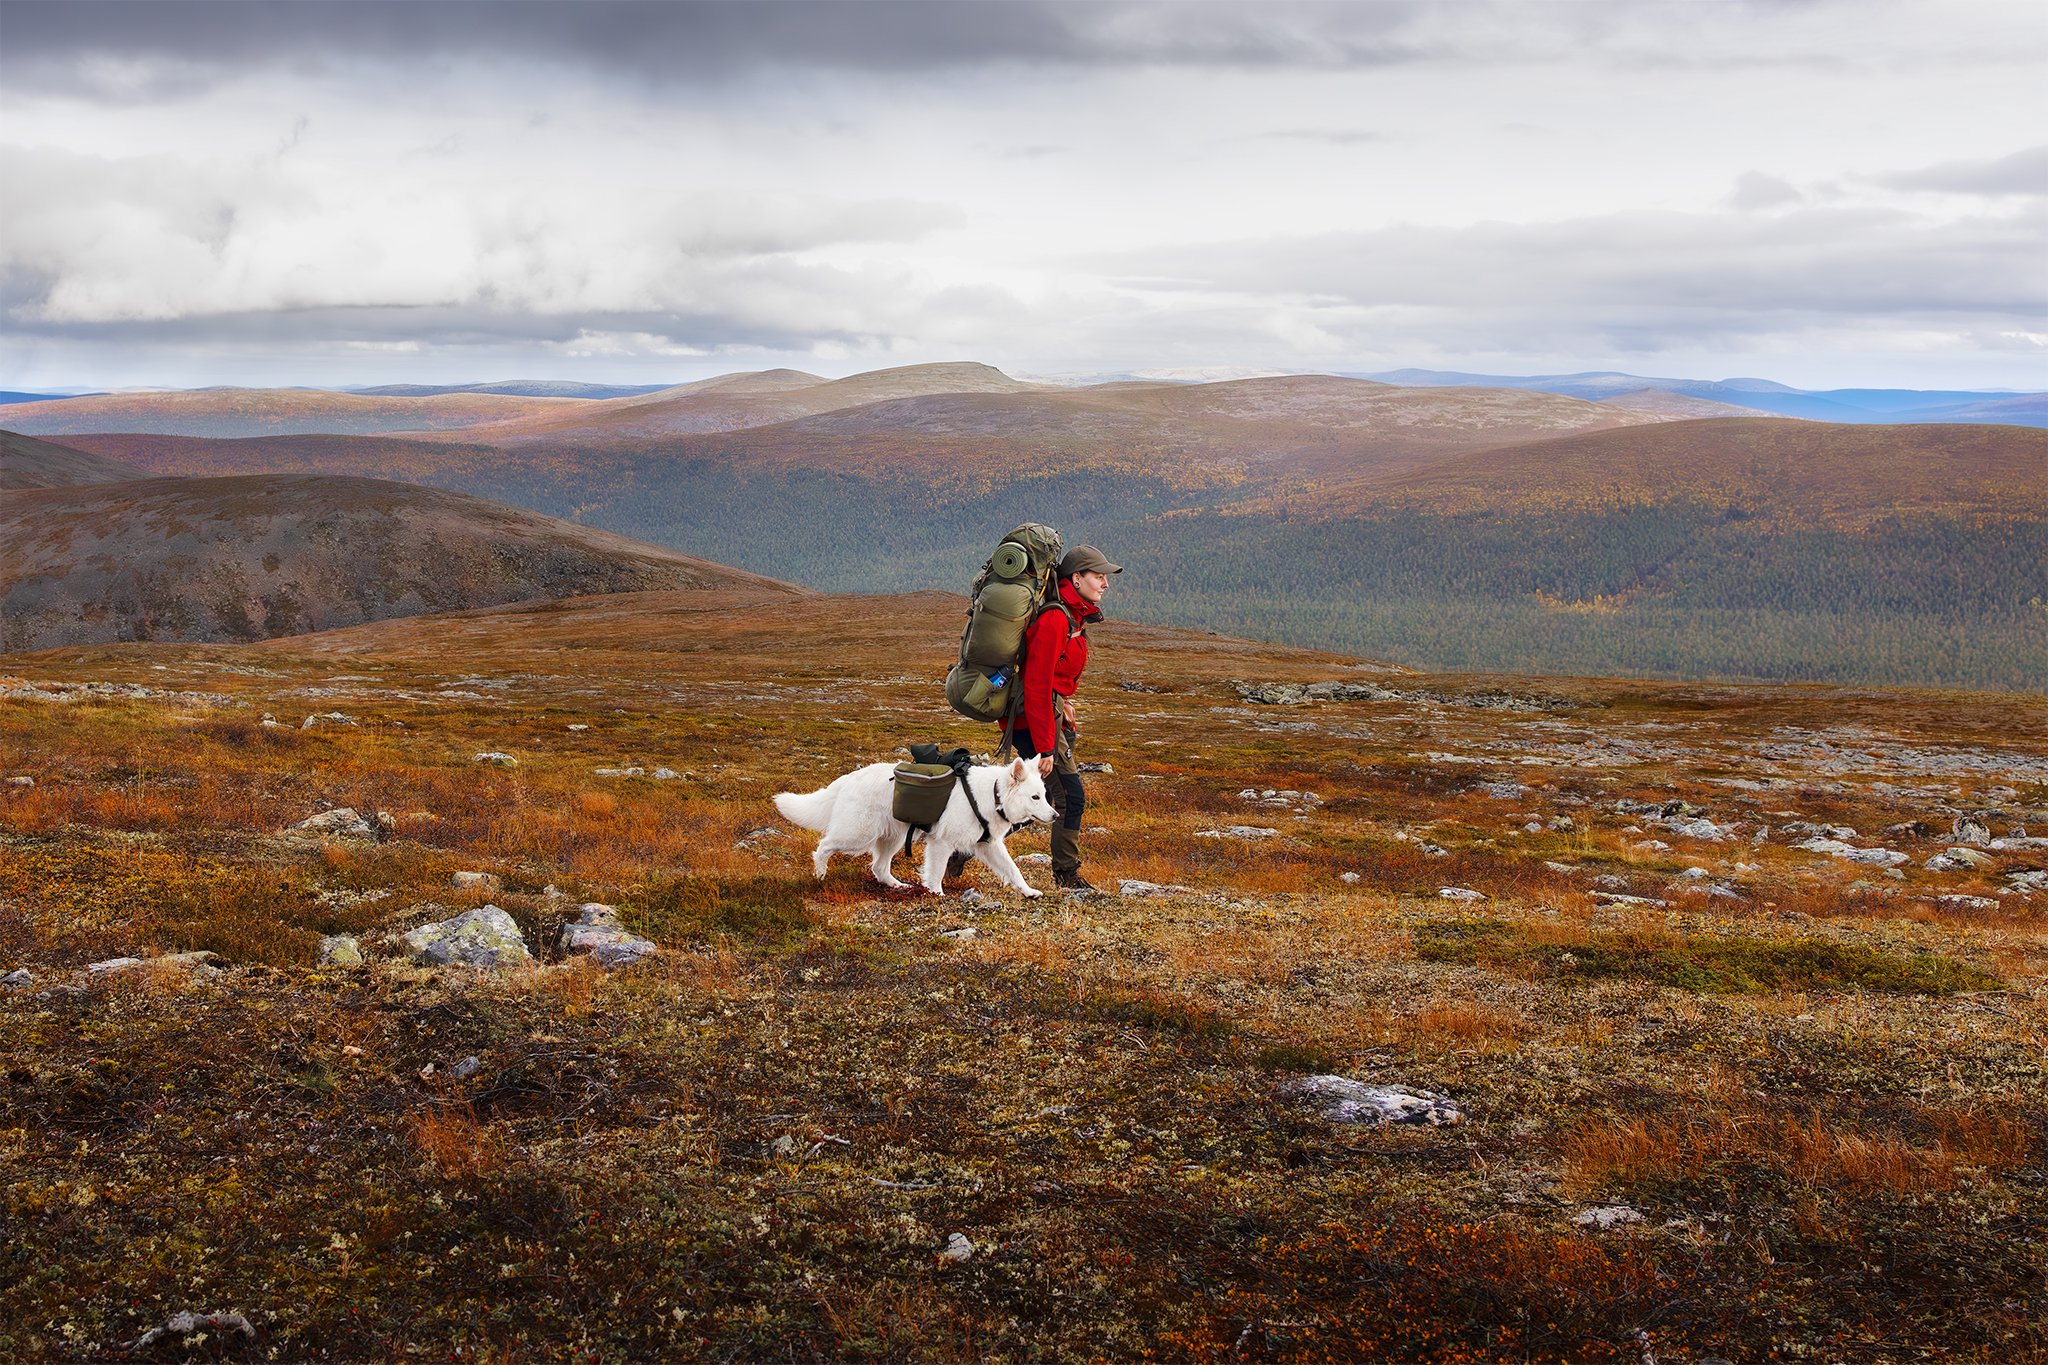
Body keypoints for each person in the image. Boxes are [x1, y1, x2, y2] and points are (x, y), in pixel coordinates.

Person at [1003, 543, 1121, 892]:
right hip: (1035, 722)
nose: (1105, 584)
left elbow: (1053, 681)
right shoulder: (1056, 619)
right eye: (1098, 577)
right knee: (1071, 796)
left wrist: (1065, 711)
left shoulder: (1072, 617)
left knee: (1047, 800)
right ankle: (1067, 875)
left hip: (1049, 718)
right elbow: (1037, 684)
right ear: (1076, 578)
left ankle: (965, 848)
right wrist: (1046, 747)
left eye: (1105, 577)